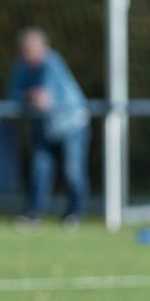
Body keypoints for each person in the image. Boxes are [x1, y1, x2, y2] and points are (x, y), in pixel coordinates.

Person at [9, 27, 90, 228]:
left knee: (73, 172)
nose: (29, 55)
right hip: (43, 129)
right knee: (39, 171)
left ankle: (74, 214)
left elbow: (47, 97)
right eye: (26, 50)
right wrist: (28, 97)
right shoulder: (21, 67)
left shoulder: (52, 63)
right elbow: (15, 94)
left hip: (71, 126)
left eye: (33, 50)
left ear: (43, 48)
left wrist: (40, 99)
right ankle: (34, 213)